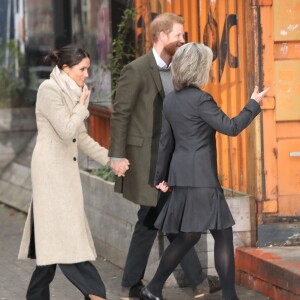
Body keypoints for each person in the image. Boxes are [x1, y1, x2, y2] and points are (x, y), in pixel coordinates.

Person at [139, 43, 270, 300]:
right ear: (199, 69)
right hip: (202, 179)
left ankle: (152, 289)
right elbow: (231, 127)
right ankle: (229, 296)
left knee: (188, 236)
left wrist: (160, 178)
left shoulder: (171, 100)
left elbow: (166, 143)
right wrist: (252, 105)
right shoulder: (201, 99)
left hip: (181, 177)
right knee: (222, 234)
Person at [109, 13, 220, 300]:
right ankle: (139, 286)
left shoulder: (179, 70)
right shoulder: (136, 70)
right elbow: (121, 114)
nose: (183, 40)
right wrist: (117, 155)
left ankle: (192, 282)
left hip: (173, 160)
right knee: (152, 220)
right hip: (147, 161)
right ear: (161, 36)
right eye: (179, 36)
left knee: (164, 219)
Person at [18, 45, 115, 300]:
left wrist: (110, 160)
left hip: (62, 173)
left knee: (52, 242)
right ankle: (96, 293)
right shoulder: (49, 90)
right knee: (65, 238)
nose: (87, 74)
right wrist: (83, 106)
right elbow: (65, 130)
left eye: (88, 68)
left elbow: (81, 138)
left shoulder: (72, 91)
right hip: (51, 173)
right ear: (65, 68)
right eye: (82, 69)